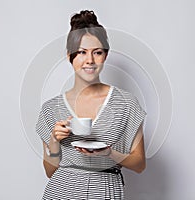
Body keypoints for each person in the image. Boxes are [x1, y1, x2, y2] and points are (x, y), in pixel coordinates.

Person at [36, 10, 147, 199]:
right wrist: (55, 141)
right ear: (69, 55)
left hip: (105, 191)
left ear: (105, 55)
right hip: (61, 191)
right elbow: (49, 171)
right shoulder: (50, 109)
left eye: (97, 52)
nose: (90, 60)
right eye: (81, 52)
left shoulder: (127, 104)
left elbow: (139, 164)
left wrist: (109, 153)